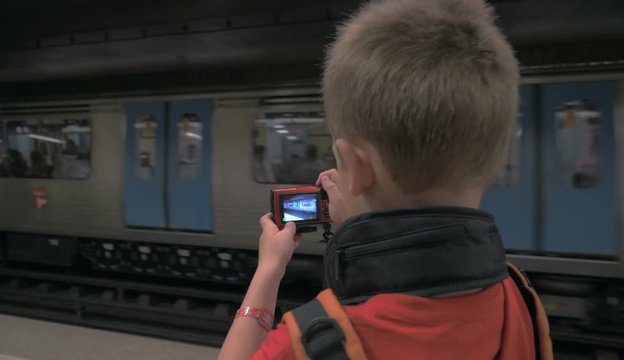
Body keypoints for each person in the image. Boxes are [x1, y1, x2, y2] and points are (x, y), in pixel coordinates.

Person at [219, 0, 550, 359]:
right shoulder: (521, 300)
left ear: (355, 167)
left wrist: (269, 270)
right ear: (495, 158)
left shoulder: (312, 342)